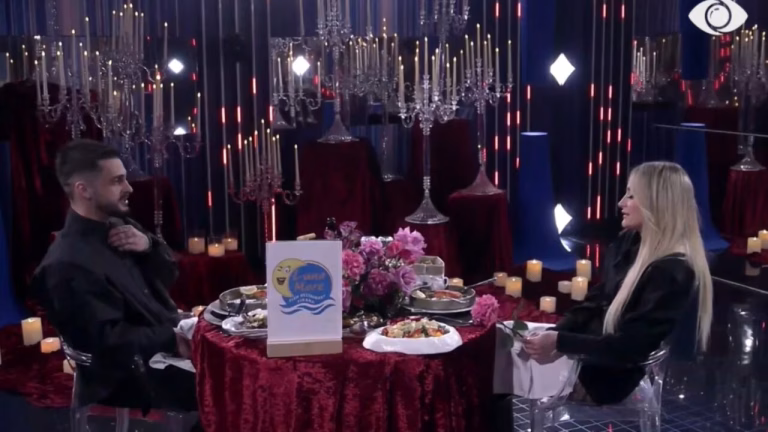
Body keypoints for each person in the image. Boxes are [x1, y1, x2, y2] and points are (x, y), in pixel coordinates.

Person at [523, 161, 713, 405]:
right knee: (499, 352)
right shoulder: (629, 241)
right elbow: (597, 300)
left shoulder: (671, 272)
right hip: (590, 352)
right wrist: (557, 333)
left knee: (494, 371)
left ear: (656, 204)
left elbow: (628, 347)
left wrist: (561, 343)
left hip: (603, 376)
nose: (621, 203)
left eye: (631, 196)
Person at [32, 139, 198, 417]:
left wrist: (148, 246)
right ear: (84, 190)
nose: (129, 188)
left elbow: (169, 274)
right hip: (131, 380)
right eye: (117, 181)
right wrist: (172, 339)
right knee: (241, 386)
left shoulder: (119, 225)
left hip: (159, 353)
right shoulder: (66, 264)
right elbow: (107, 343)